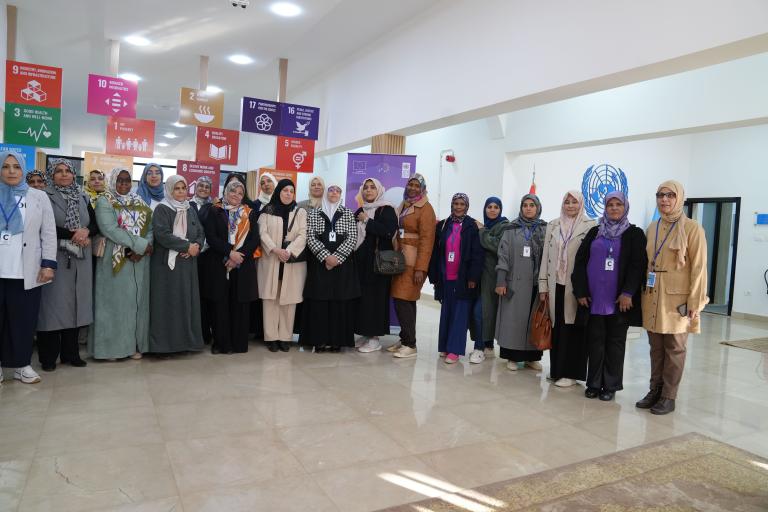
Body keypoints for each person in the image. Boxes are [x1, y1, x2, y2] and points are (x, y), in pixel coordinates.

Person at [637, 180, 708, 415]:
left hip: (677, 301)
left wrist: (695, 302)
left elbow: (699, 268)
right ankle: (655, 389)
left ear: (679, 198)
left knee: (675, 348)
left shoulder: (692, 228)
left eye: (670, 195)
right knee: (655, 348)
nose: (664, 200)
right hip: (653, 296)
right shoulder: (652, 227)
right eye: (660, 195)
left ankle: (669, 396)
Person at [572, 192, 647, 401]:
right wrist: (581, 291)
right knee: (594, 341)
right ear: (605, 208)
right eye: (610, 205)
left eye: (618, 204)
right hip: (594, 297)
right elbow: (580, 262)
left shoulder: (634, 234)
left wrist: (628, 293)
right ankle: (594, 383)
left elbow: (637, 266)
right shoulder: (595, 232)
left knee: (615, 342)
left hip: (619, 300)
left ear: (625, 207)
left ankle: (611, 385)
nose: (614, 208)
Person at [0, 151, 56, 384]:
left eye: (16, 167)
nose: (11, 171)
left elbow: (49, 232)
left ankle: (22, 365)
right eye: (6, 166)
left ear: (23, 169)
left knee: (24, 321)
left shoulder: (38, 196)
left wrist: (48, 264)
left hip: (27, 271)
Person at [36, 158, 95, 371]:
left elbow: (94, 223)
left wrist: (86, 231)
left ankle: (71, 354)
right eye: (58, 171)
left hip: (80, 258)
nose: (63, 174)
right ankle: (48, 357)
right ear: (52, 175)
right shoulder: (43, 196)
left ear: (73, 174)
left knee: (75, 306)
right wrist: (74, 233)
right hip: (55, 257)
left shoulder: (82, 196)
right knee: (52, 308)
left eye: (67, 171)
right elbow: (45, 225)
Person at [89, 168, 153, 361]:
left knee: (135, 305)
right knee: (113, 305)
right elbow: (110, 229)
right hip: (113, 259)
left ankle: (133, 345)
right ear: (112, 181)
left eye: (127, 180)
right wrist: (141, 244)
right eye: (119, 180)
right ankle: (110, 349)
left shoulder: (139, 201)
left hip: (138, 260)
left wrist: (142, 247)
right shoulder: (104, 201)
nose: (123, 184)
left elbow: (150, 227)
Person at [537, 191, 596, 387]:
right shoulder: (553, 224)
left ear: (581, 204)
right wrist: (543, 285)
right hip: (556, 285)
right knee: (558, 329)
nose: (570, 205)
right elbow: (546, 256)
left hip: (576, 286)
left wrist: (587, 288)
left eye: (574, 202)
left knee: (573, 329)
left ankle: (571, 373)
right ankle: (557, 371)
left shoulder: (590, 226)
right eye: (567, 202)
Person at [201, 180, 260, 354]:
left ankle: (238, 343)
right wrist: (229, 252)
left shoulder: (249, 213)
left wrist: (237, 256)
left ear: (243, 196)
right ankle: (221, 344)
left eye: (240, 193)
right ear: (225, 192)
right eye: (232, 191)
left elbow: (254, 239)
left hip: (241, 265)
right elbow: (211, 237)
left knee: (239, 304)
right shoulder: (215, 211)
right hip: (220, 264)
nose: (235, 195)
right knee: (221, 305)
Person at [149, 176, 205, 354]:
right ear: (170, 190)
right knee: (168, 302)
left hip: (187, 264)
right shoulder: (162, 209)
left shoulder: (190, 209)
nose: (181, 192)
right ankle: (165, 346)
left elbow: (200, 232)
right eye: (177, 188)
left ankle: (186, 343)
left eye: (183, 188)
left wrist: (196, 246)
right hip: (166, 266)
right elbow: (162, 234)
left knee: (185, 302)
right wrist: (186, 246)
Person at [301, 185, 360, 352]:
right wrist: (326, 257)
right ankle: (319, 340)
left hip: (342, 267)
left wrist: (337, 258)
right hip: (320, 266)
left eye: (337, 191)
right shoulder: (314, 214)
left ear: (340, 195)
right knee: (320, 303)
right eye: (331, 190)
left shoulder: (348, 213)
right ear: (326, 194)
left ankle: (337, 341)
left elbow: (352, 237)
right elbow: (310, 237)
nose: (334, 193)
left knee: (339, 303)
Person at [428, 193, 484, 363]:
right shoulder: (444, 225)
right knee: (446, 313)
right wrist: (435, 276)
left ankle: (455, 350)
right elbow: (436, 251)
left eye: (462, 204)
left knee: (460, 315)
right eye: (455, 203)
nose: (458, 207)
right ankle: (445, 347)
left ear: (466, 206)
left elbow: (477, 254)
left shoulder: (471, 226)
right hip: (446, 277)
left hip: (464, 279)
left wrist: (473, 277)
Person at [495, 194, 547, 371]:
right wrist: (501, 280)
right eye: (525, 205)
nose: (528, 208)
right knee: (513, 320)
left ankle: (531, 358)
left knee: (533, 320)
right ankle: (511, 356)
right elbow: (503, 255)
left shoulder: (544, 229)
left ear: (538, 208)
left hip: (536, 283)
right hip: (514, 283)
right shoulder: (511, 228)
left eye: (532, 205)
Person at [258, 179, 307, 352]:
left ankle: (285, 337)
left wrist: (289, 251)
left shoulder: (299, 212)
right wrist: (275, 249)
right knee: (270, 300)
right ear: (278, 191)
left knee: (288, 301)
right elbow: (262, 233)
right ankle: (271, 337)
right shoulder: (267, 210)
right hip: (271, 260)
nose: (288, 193)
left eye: (291, 191)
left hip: (290, 262)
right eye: (285, 190)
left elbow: (303, 234)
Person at [390, 174, 436, 358]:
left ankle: (411, 344)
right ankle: (404, 338)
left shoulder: (425, 209)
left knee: (404, 300)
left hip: (414, 262)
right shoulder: (405, 205)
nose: (413, 188)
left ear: (423, 188)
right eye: (411, 184)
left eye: (417, 185)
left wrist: (421, 268)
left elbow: (427, 240)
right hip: (400, 259)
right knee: (403, 300)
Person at [353, 178, 398, 353]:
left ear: (378, 190)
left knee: (376, 300)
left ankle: (375, 338)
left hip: (378, 264)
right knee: (364, 300)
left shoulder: (386, 209)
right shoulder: (360, 210)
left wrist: (367, 221)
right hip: (361, 263)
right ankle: (365, 333)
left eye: (372, 188)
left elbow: (388, 231)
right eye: (366, 188)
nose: (369, 191)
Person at [469, 196, 510, 363]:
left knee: (481, 312)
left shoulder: (504, 226)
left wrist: (482, 231)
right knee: (484, 313)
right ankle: (487, 345)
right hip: (478, 276)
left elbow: (497, 246)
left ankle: (479, 348)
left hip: (493, 277)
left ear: (500, 210)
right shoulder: (484, 225)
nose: (492, 210)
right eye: (489, 207)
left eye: (496, 207)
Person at [190, 175, 215, 345]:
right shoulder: (187, 205)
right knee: (191, 294)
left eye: (207, 186)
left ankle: (205, 333)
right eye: (201, 185)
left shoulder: (214, 207)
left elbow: (214, 230)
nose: (204, 189)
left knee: (205, 296)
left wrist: (202, 246)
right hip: (188, 255)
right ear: (195, 187)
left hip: (208, 257)